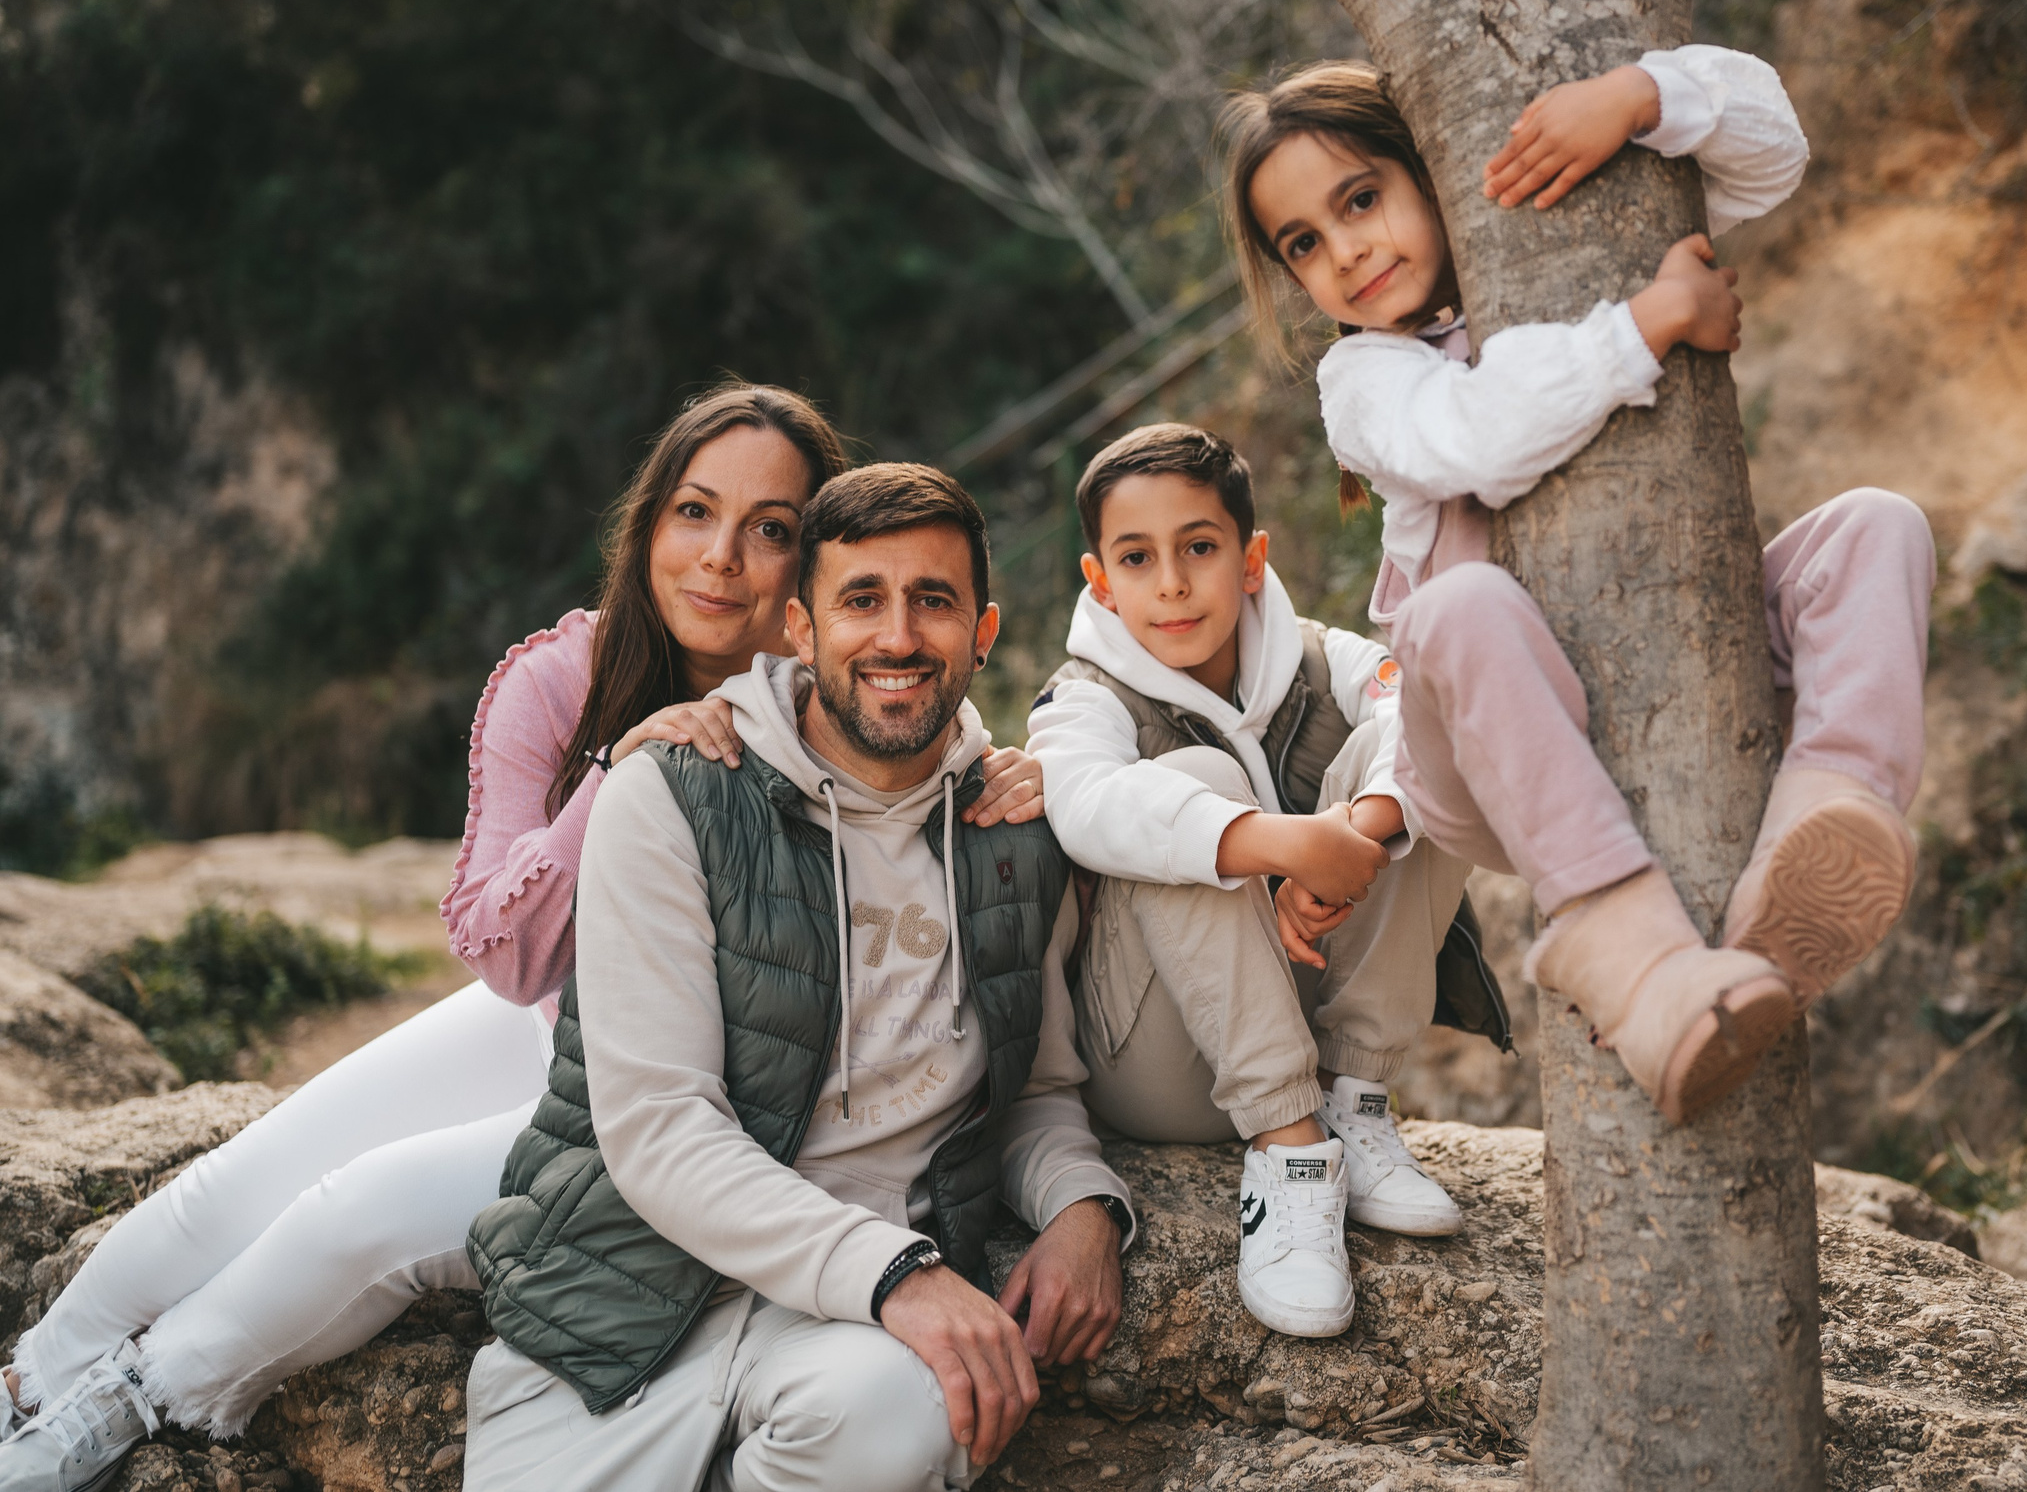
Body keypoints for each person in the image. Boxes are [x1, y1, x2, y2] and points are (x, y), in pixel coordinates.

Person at [0, 389, 1044, 1492]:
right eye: (693, 512)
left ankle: (140, 1396)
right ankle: (31, 1381)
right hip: (547, 1016)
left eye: (771, 529)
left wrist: (1008, 769)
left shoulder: (840, 701)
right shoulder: (560, 676)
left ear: (813, 568)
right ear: (647, 525)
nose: (723, 558)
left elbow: (923, 738)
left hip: (666, 1083)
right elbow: (508, 957)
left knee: (362, 1212)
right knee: (239, 1184)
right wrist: (626, 766)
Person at [1216, 51, 1936, 1126]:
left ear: (1436, 170)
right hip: (1485, 746)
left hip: (1667, 641)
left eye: (1362, 197)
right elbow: (1478, 441)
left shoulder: (1572, 243)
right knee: (1456, 608)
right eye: (1305, 243)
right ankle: (1627, 950)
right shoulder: (1362, 376)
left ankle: (1819, 825)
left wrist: (1640, 98)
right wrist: (1646, 324)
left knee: (1877, 526)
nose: (1348, 251)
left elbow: (1772, 154)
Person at [460, 463, 1130, 1492]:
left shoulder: (1013, 834)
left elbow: (1033, 1089)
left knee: (905, 1415)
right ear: (800, 629)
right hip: (632, 1294)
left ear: (983, 631)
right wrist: (901, 1273)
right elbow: (659, 1123)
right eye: (861, 599)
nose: (899, 636)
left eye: (933, 601)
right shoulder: (674, 796)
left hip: (841, 1324)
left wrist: (1083, 1204)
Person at [1025, 423, 1475, 1340]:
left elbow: (1423, 710)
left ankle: (1353, 1103)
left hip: (1309, 1014)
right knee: (1190, 793)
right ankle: (1289, 1153)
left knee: (1444, 727)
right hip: (1159, 1063)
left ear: (1252, 557)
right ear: (1100, 580)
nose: (1174, 583)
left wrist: (1351, 837)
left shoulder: (1318, 655)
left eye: (1199, 547)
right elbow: (1085, 804)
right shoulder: (1084, 697)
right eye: (1138, 558)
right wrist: (1271, 843)